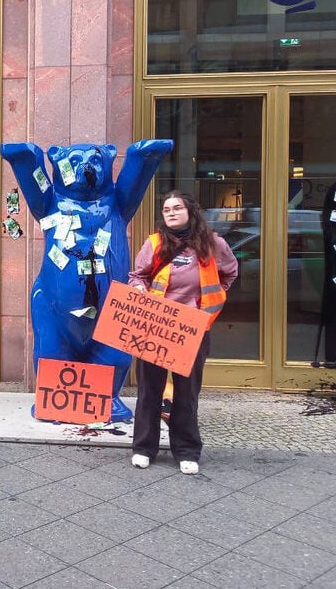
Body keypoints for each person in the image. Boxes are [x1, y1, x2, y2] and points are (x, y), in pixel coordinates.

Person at [128, 190, 238, 475]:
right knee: (149, 391)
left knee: (187, 393)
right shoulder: (154, 243)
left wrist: (212, 301)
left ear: (191, 211)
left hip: (192, 329)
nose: (171, 212)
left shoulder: (213, 244)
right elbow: (137, 276)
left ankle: (187, 451)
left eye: (177, 207)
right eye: (166, 209)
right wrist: (141, 293)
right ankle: (143, 448)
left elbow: (230, 273)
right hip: (155, 327)